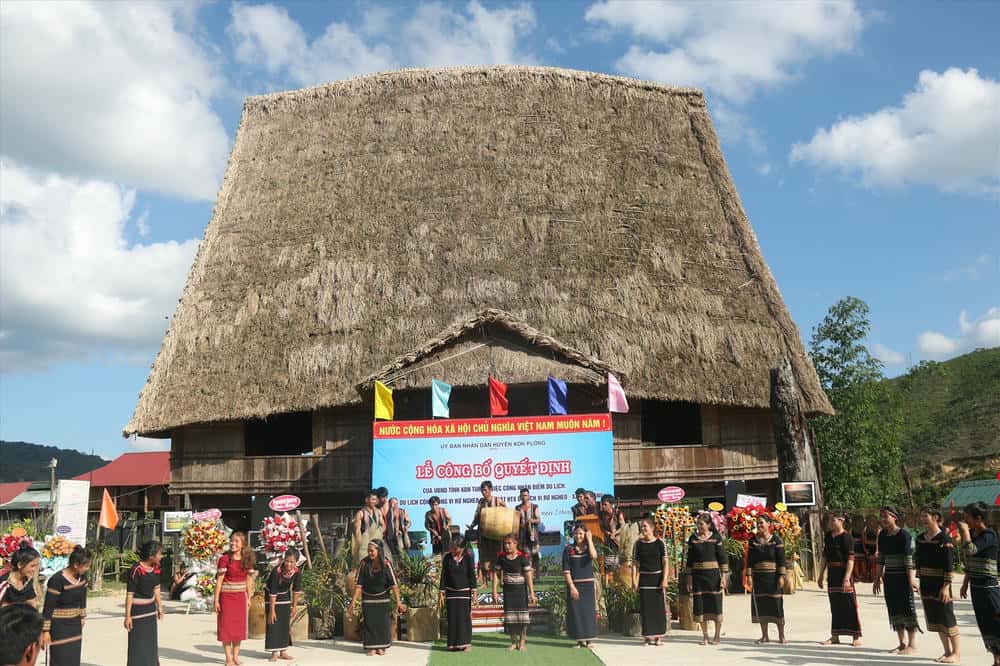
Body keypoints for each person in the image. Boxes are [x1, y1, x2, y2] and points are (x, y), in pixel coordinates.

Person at [916, 507, 960, 664]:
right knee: (936, 619)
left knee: (947, 617)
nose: (923, 519)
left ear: (935, 517)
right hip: (927, 583)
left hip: (941, 583)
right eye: (921, 516)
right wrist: (920, 583)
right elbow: (918, 561)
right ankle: (947, 651)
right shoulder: (920, 538)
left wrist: (946, 587)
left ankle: (956, 653)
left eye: (926, 516)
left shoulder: (944, 539)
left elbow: (949, 565)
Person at [873, 505, 919, 655]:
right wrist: (877, 578)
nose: (883, 519)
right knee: (893, 609)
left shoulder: (904, 535)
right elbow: (881, 558)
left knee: (907, 608)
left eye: (886, 516)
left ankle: (912, 644)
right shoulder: (882, 535)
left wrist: (911, 580)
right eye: (882, 516)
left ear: (895, 518)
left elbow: (909, 560)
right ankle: (901, 643)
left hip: (903, 579)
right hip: (890, 579)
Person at [958, 501, 1000, 665]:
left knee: (996, 620)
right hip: (976, 586)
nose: (965, 519)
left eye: (967, 516)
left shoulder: (989, 535)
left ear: (978, 518)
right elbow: (970, 560)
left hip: (989, 587)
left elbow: (971, 550)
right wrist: (965, 582)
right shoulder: (973, 533)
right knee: (985, 623)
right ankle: (996, 659)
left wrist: (964, 533)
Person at [349, 540, 405, 656]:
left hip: (383, 599)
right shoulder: (364, 563)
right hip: (368, 599)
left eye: (372, 551)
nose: (369, 553)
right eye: (368, 551)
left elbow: (394, 585)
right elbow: (359, 585)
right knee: (370, 623)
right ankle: (371, 647)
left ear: (379, 551)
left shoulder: (386, 563)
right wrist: (353, 602)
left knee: (383, 623)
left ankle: (381, 647)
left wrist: (399, 602)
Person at [818, 511, 863, 647]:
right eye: (830, 521)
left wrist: (846, 578)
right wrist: (821, 575)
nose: (831, 523)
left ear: (841, 520)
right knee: (835, 605)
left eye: (833, 520)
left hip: (844, 574)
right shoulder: (828, 536)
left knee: (849, 604)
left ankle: (856, 635)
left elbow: (850, 560)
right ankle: (835, 636)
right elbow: (825, 557)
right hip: (832, 575)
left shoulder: (847, 537)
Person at [41, 545, 91, 666]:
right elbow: (48, 607)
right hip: (58, 628)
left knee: (73, 659)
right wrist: (45, 631)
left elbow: (82, 597)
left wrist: (82, 616)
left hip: (75, 626)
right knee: (59, 659)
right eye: (86, 566)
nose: (87, 569)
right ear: (75, 565)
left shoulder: (82, 578)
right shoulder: (57, 580)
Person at [214, 532, 256, 666]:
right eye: (232, 541)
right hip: (226, 598)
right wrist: (216, 600)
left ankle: (236, 656)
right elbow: (219, 582)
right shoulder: (224, 559)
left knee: (238, 630)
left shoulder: (247, 559)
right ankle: (228, 658)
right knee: (226, 629)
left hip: (240, 599)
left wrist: (249, 597)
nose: (233, 543)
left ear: (242, 544)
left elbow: (249, 580)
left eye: (236, 541)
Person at [686, 512, 726, 646]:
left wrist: (723, 578)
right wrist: (689, 580)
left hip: (713, 577)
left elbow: (723, 558)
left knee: (715, 604)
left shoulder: (716, 537)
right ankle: (705, 636)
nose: (699, 527)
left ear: (709, 525)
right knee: (700, 606)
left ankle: (717, 635)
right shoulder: (693, 539)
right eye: (698, 524)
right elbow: (689, 561)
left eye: (701, 524)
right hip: (698, 577)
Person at [747, 515, 787, 644]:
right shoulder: (753, 541)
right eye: (757, 523)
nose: (759, 525)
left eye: (761, 523)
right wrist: (749, 576)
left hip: (773, 577)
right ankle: (764, 636)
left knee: (776, 605)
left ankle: (781, 636)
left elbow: (781, 560)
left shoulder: (777, 540)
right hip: (758, 577)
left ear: (769, 524)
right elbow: (750, 561)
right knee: (761, 605)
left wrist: (781, 576)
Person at [492, 533, 535, 652]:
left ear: (515, 544)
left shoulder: (523, 557)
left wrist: (532, 593)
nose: (506, 546)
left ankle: (522, 642)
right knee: (510, 618)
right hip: (508, 592)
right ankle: (513, 642)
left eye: (509, 543)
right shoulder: (501, 557)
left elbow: (528, 575)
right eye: (505, 543)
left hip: (520, 592)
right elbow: (495, 574)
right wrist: (494, 591)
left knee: (522, 619)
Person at [125, 540, 163, 666]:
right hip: (138, 613)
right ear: (151, 556)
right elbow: (130, 594)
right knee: (138, 643)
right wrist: (127, 616)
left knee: (150, 642)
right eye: (159, 554)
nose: (161, 556)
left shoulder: (156, 569)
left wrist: (160, 607)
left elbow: (156, 588)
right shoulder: (136, 570)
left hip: (150, 612)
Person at [632, 518, 668, 646]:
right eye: (642, 527)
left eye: (645, 527)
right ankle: (647, 636)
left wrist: (664, 579)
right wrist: (634, 580)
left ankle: (658, 637)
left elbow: (665, 563)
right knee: (646, 608)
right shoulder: (638, 544)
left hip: (657, 579)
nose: (643, 529)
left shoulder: (660, 543)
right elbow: (635, 564)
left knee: (658, 609)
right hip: (644, 580)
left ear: (652, 528)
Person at [563, 523, 598, 648]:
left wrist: (589, 539)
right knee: (576, 613)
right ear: (573, 534)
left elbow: (594, 556)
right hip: (575, 585)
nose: (578, 536)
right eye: (576, 533)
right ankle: (579, 640)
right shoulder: (568, 549)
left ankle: (589, 640)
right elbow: (566, 571)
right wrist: (572, 587)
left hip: (588, 585)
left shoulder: (589, 548)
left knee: (588, 613)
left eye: (581, 533)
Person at [439, 536, 476, 652]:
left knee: (464, 618)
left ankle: (466, 644)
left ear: (462, 548)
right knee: (453, 618)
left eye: (455, 548)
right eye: (452, 547)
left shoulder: (468, 558)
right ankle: (453, 644)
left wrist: (474, 592)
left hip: (464, 593)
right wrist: (441, 591)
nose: (452, 549)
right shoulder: (447, 558)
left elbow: (472, 575)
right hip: (451, 593)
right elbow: (443, 575)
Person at [265, 549, 302, 662]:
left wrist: (294, 606)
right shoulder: (277, 571)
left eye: (292, 562)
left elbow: (296, 590)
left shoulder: (297, 572)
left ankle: (283, 651)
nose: (288, 564)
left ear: (296, 562)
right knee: (273, 624)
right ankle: (274, 653)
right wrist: (272, 610)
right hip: (271, 597)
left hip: (285, 596)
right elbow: (273, 592)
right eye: (287, 561)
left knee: (284, 624)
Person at [470, 480, 506, 581]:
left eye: (485, 490)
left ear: (490, 490)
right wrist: (472, 525)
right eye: (482, 490)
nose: (483, 492)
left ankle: (500, 579)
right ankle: (485, 581)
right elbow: (477, 516)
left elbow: (506, 513)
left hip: (496, 534)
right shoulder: (481, 502)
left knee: (498, 555)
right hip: (483, 534)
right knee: (484, 556)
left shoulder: (498, 500)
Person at [0, 544, 40, 608]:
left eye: (36, 566)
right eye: (32, 566)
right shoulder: (5, 583)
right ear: (20, 565)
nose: (35, 569)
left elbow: (32, 601)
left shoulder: (28, 581)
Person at [354, 490, 385, 563]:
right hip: (365, 544)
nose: (375, 501)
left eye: (376, 499)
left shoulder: (379, 512)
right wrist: (360, 544)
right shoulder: (360, 513)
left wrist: (379, 535)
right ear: (367, 500)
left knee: (379, 562)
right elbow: (357, 531)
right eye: (373, 499)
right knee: (364, 563)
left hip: (377, 543)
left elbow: (383, 525)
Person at [598, 495, 626, 575]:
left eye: (605, 504)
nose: (603, 506)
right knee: (608, 562)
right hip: (607, 540)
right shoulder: (601, 514)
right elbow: (601, 527)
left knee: (618, 562)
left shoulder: (617, 512)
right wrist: (607, 533)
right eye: (602, 504)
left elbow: (623, 526)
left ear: (611, 504)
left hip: (618, 541)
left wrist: (615, 533)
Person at [516, 488, 541, 572]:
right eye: (522, 495)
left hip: (533, 535)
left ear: (529, 496)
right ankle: (527, 573)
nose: (524, 497)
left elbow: (538, 520)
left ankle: (536, 574)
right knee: (525, 554)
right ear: (520, 496)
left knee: (534, 554)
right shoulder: (518, 508)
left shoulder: (534, 506)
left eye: (525, 495)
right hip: (522, 535)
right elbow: (516, 521)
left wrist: (531, 521)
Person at [862, 515, 881, 585]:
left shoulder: (878, 530)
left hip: (876, 549)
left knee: (876, 561)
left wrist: (877, 551)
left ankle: (877, 577)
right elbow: (864, 542)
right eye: (870, 520)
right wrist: (865, 550)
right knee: (867, 561)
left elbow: (878, 542)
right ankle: (868, 577)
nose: (871, 522)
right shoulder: (865, 529)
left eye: (873, 520)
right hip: (868, 549)